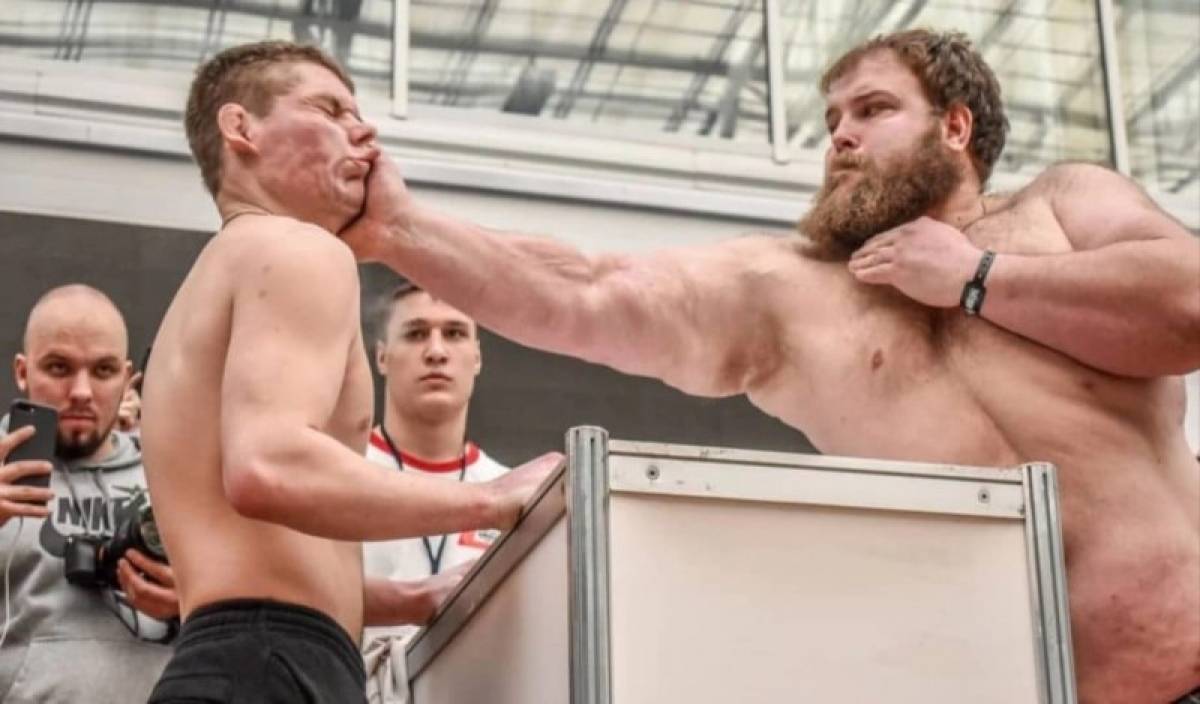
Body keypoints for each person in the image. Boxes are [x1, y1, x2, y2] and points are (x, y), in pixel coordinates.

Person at [339, 29, 1200, 704]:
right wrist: (397, 229)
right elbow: (587, 289)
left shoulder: (1063, 206)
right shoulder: (794, 292)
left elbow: (1188, 306)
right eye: (831, 123)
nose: (841, 138)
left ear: (955, 126)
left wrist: (975, 277)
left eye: (872, 110)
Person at [139, 41, 558, 703]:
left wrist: (410, 597)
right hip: (270, 666)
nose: (364, 133)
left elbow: (259, 564)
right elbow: (267, 466)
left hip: (241, 657)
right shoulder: (298, 248)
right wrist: (494, 498)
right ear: (241, 127)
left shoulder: (210, 285)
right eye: (330, 110)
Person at [0, 284, 177, 703]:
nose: (81, 391)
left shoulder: (173, 478)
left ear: (127, 378)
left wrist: (193, 604)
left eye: (103, 370)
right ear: (23, 372)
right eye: (59, 368)